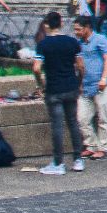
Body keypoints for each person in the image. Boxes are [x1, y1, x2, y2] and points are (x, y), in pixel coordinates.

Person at [30, 11, 85, 176]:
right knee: (73, 123)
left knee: (57, 125)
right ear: (61, 24)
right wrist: (79, 82)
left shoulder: (43, 44)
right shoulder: (72, 42)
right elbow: (81, 66)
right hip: (71, 86)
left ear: (46, 25)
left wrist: (41, 83)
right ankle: (78, 159)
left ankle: (58, 162)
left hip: (53, 88)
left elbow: (36, 68)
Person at [72, 15, 107, 160]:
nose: (76, 32)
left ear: (87, 28)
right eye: (75, 29)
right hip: (86, 85)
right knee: (82, 118)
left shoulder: (100, 40)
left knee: (104, 117)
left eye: (79, 29)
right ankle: (91, 145)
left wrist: (104, 78)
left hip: (102, 84)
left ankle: (103, 147)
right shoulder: (79, 43)